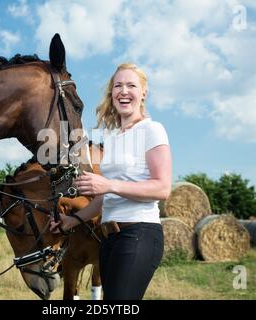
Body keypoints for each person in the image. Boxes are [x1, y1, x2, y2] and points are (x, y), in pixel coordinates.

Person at [50, 63, 172, 300]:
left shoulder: (152, 130)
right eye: (118, 85)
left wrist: (109, 185)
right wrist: (71, 221)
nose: (123, 91)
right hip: (108, 239)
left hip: (139, 234)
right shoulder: (113, 138)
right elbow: (104, 199)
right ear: (111, 93)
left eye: (131, 85)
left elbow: (163, 187)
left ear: (143, 92)